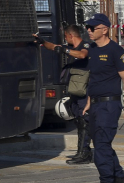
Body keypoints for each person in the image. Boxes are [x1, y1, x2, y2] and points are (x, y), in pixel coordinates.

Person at [81, 13, 124, 183]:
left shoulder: (115, 50)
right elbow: (93, 79)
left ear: (104, 29)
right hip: (95, 104)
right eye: (88, 27)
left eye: (92, 28)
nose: (89, 31)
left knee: (101, 148)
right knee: (102, 145)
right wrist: (88, 101)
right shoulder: (92, 50)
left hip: (109, 105)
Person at [34, 24, 93, 165]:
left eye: (66, 37)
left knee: (84, 120)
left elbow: (82, 54)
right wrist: (42, 41)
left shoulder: (85, 45)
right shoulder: (71, 48)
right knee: (78, 120)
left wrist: (65, 50)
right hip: (75, 89)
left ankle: (84, 153)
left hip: (85, 90)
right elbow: (53, 47)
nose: (65, 40)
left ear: (71, 35)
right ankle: (81, 151)